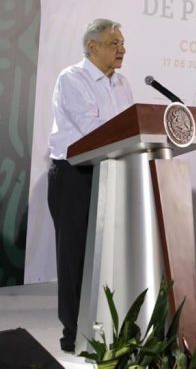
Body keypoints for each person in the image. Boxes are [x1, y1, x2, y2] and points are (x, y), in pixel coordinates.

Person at [48, 19, 134, 352]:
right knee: (75, 257)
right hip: (74, 176)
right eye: (114, 43)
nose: (122, 49)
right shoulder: (72, 78)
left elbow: (129, 127)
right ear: (92, 47)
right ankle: (74, 332)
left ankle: (109, 326)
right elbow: (91, 129)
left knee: (111, 254)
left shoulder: (123, 84)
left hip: (113, 171)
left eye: (123, 43)